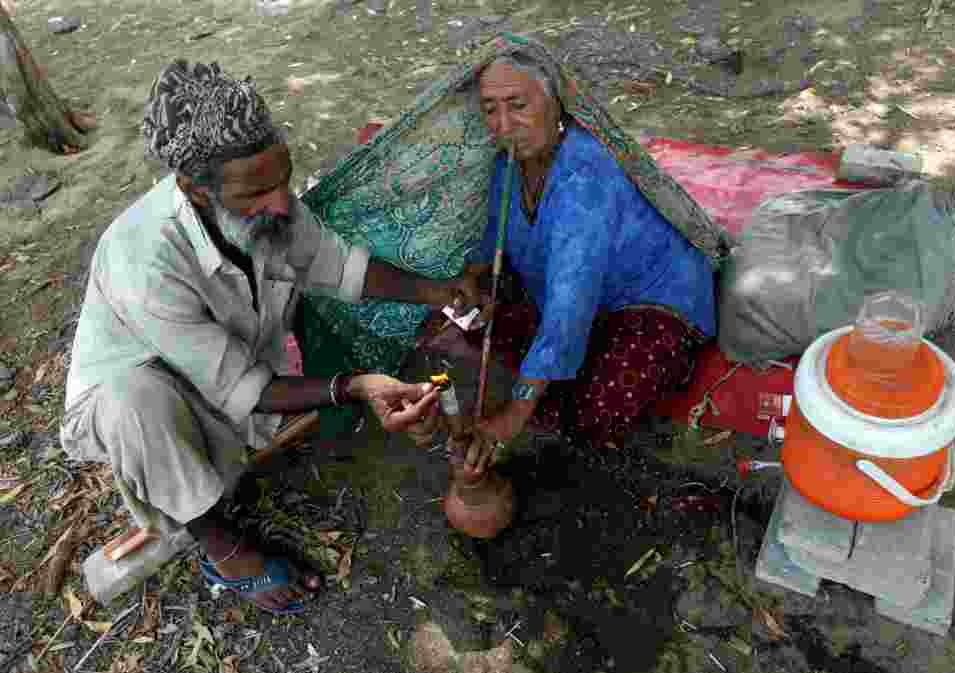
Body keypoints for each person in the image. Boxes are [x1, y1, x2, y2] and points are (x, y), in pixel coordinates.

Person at [59, 60, 484, 615]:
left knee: (220, 417)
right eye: (257, 193)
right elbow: (243, 387)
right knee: (133, 403)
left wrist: (439, 293)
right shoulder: (145, 261)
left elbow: (339, 267)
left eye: (283, 178)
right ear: (195, 189)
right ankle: (225, 550)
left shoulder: (266, 203)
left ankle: (217, 470)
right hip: (140, 402)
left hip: (216, 374)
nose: (282, 203)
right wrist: (356, 386)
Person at [457, 49, 718, 469]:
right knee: (472, 317)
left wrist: (514, 416)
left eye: (519, 106)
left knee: (604, 402)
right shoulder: (509, 161)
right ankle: (553, 379)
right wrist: (473, 278)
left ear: (555, 101)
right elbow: (495, 229)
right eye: (491, 110)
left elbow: (569, 304)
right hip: (568, 294)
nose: (504, 125)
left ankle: (552, 396)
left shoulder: (585, 176)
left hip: (650, 294)